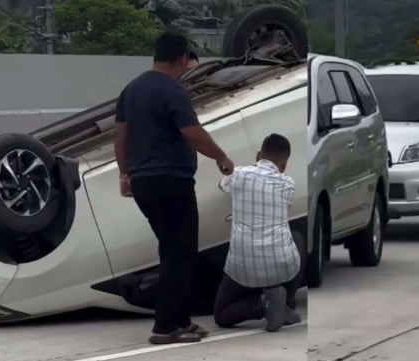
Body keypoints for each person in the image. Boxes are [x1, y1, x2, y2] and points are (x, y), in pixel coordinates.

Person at [114, 32, 234, 345]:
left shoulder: (131, 90)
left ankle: (181, 320)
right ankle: (165, 327)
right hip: (172, 181)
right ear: (183, 58)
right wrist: (220, 156)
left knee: (174, 250)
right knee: (178, 254)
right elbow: (192, 131)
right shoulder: (172, 90)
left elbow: (120, 136)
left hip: (143, 183)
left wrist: (125, 175)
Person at [213, 133, 303, 332]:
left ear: (258, 155)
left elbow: (222, 185)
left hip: (243, 267)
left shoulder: (237, 175)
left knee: (221, 314)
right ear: (284, 164)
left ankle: (263, 304)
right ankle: (285, 302)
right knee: (296, 238)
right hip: (281, 265)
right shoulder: (288, 184)